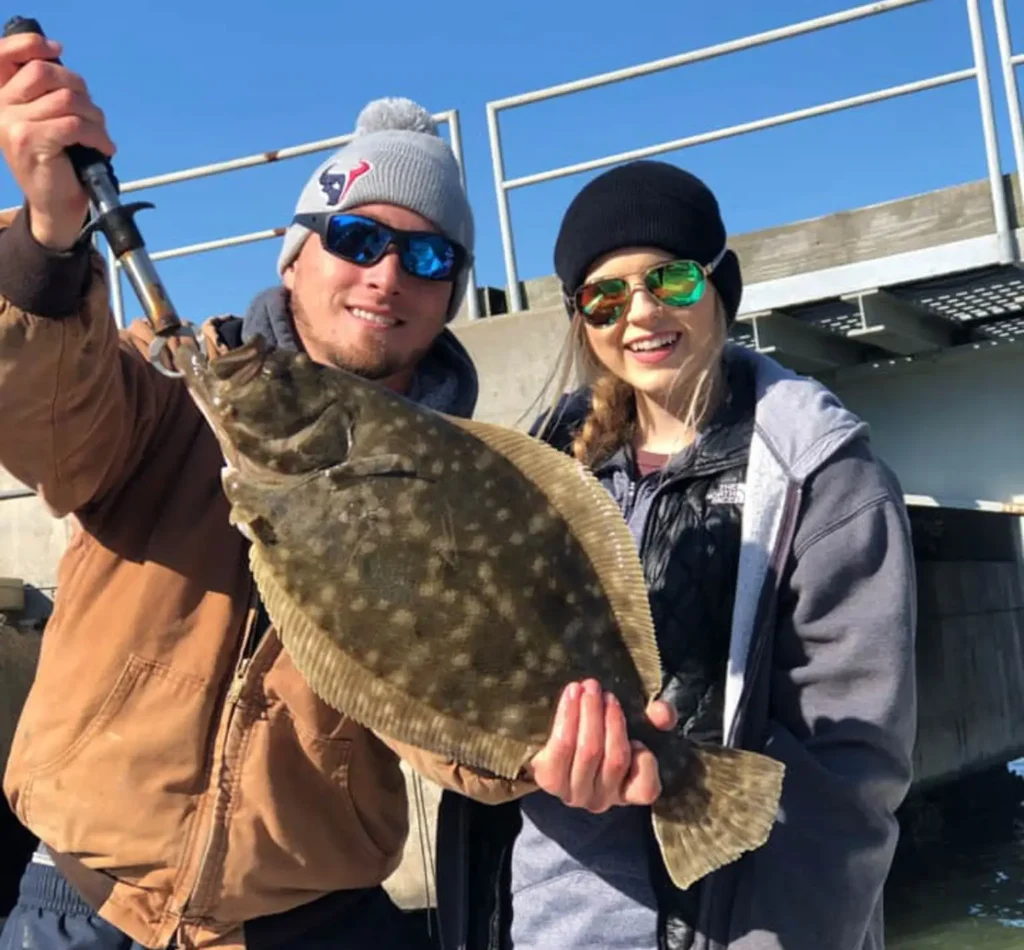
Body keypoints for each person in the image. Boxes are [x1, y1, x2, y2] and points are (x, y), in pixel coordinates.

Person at [0, 30, 672, 950]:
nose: (387, 274)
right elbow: (40, 417)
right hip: (83, 907)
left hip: (314, 924)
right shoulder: (160, 395)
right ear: (294, 257)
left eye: (429, 259)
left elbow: (445, 729)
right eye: (356, 237)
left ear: (451, 295)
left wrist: (546, 757)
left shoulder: (464, 485)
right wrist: (46, 241)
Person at [426, 160, 919, 950]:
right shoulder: (540, 468)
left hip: (737, 926)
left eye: (673, 280)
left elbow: (849, 771)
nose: (642, 312)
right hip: (545, 917)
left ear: (720, 285)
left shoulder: (822, 475)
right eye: (606, 297)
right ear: (582, 318)